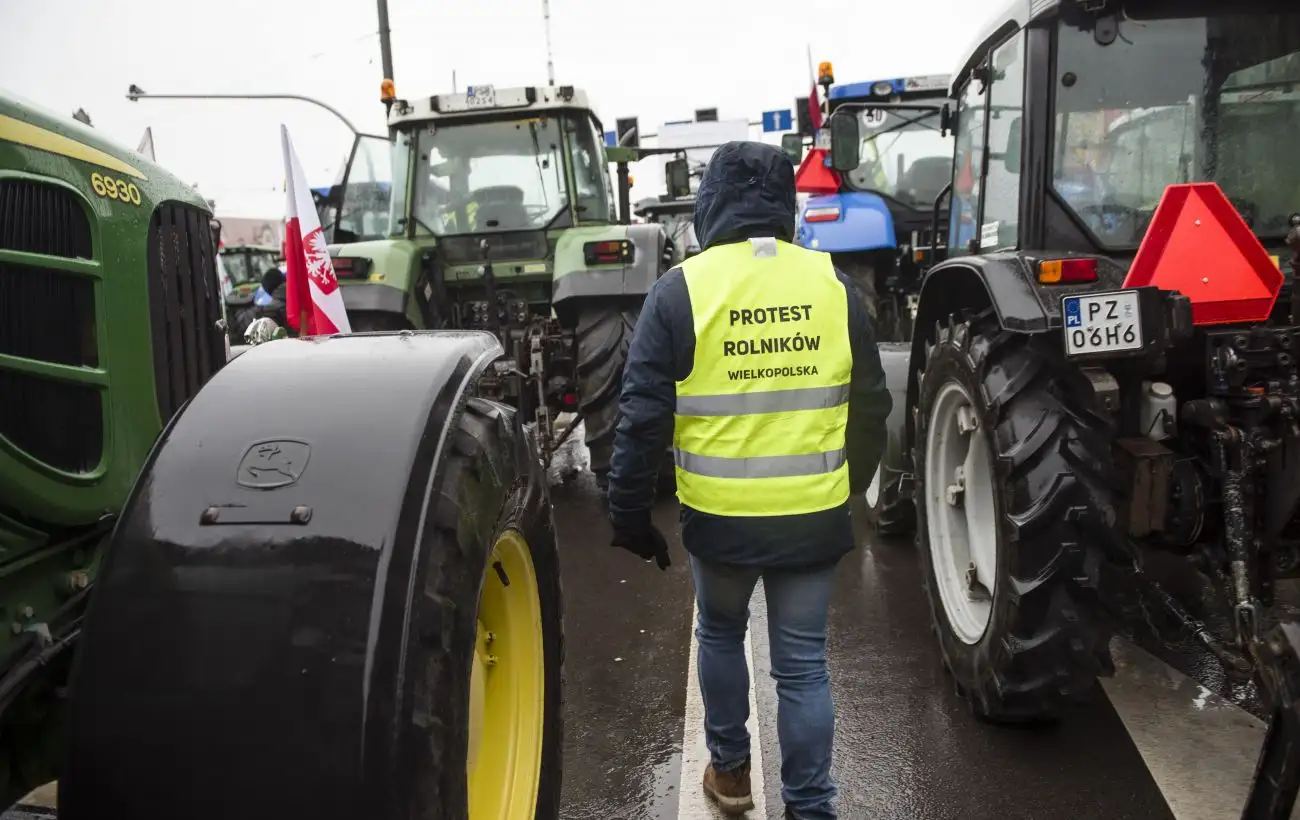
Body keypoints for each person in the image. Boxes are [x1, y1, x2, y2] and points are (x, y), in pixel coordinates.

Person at [605, 141, 892, 819]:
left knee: (721, 634)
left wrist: (629, 517)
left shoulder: (680, 291)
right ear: (785, 206)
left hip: (721, 519)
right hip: (809, 517)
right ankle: (810, 808)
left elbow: (641, 419)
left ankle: (731, 774)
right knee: (802, 666)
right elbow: (873, 402)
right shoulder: (831, 286)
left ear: (711, 205)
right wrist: (849, 487)